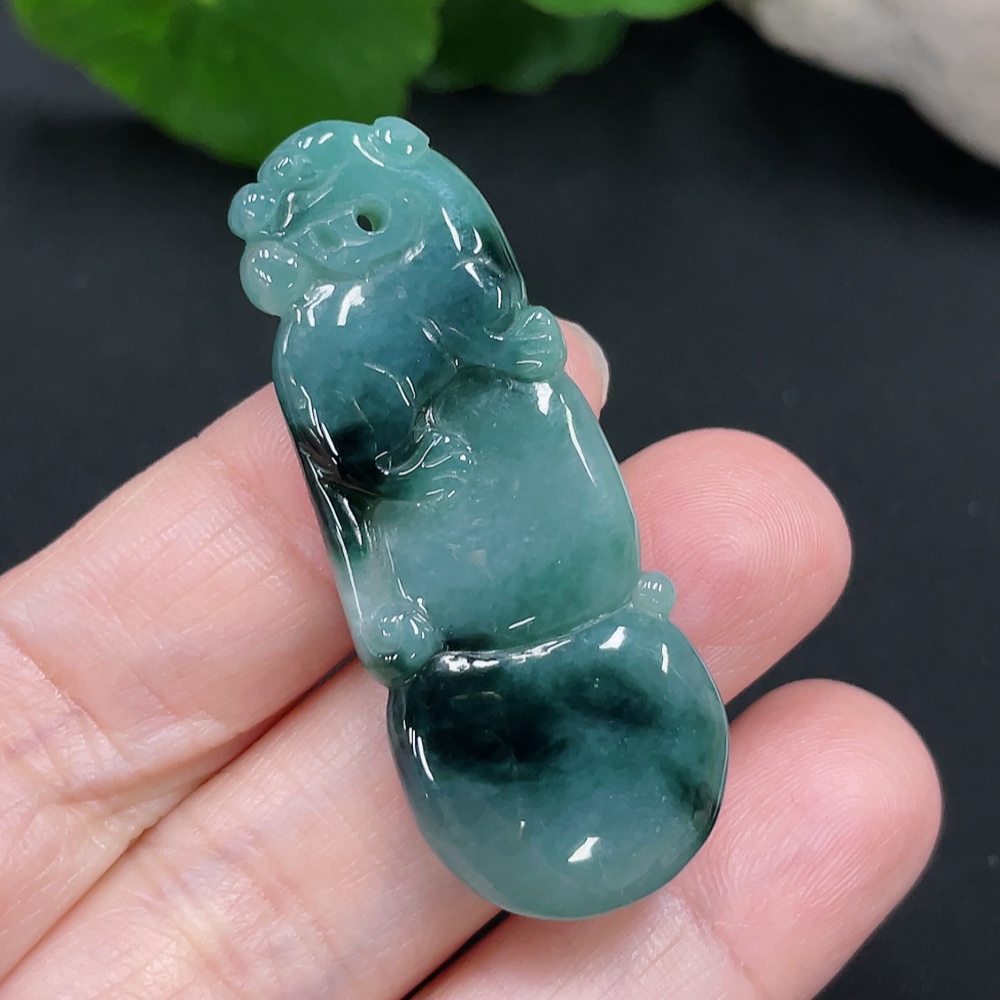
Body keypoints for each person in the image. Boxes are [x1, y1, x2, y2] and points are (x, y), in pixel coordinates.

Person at [0, 321, 940, 998]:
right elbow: (351, 515)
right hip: (463, 661)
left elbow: (567, 461)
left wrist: (600, 562)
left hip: (589, 610)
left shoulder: (495, 343)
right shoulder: (322, 361)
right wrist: (385, 610)